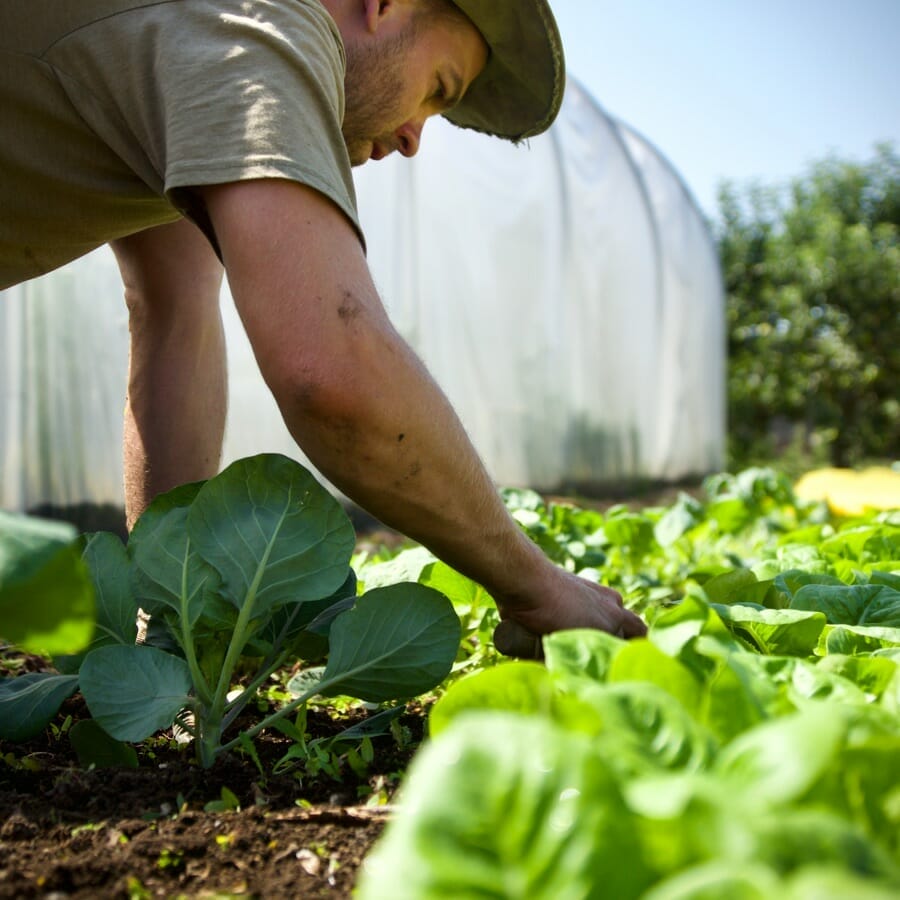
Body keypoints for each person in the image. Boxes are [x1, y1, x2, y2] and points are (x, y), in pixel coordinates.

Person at [1, 0, 647, 655]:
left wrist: (170, 627)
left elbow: (175, 312)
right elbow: (332, 371)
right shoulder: (260, 23)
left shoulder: (196, 61)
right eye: (438, 89)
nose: (414, 137)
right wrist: (535, 586)